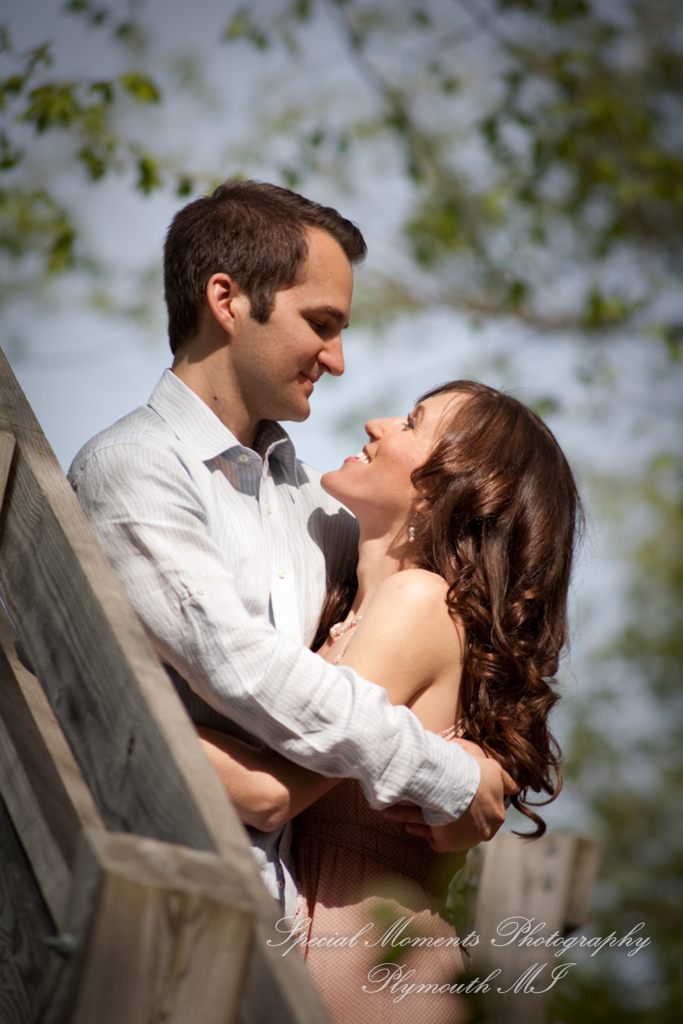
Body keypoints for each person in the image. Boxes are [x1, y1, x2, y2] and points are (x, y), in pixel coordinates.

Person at [68, 180, 515, 916]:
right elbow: (241, 665)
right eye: (321, 323)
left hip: (273, 927)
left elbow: (428, 607)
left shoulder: (319, 509)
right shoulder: (135, 467)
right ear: (227, 300)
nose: (337, 360)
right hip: (153, 896)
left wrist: (483, 754)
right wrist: (443, 777)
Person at [198, 380, 582, 1023]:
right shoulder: (354, 606)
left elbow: (271, 791)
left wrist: (90, 701)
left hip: (369, 982)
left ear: (448, 490)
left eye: (411, 422)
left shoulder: (419, 604)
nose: (376, 424)